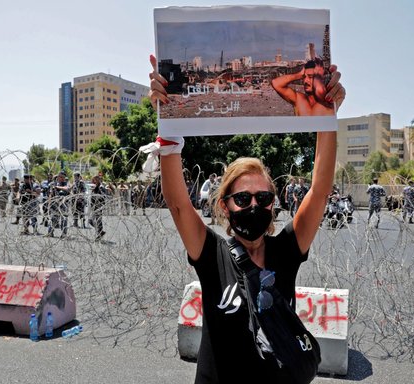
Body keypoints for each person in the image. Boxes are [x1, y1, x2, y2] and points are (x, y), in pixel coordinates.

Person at [146, 54, 344, 383]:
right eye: (242, 198)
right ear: (225, 207)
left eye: (263, 198)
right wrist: (168, 126)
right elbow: (179, 205)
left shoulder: (286, 251)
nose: (254, 205)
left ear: (273, 204)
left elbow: (320, 190)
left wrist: (327, 115)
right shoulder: (212, 255)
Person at [90, 175, 108, 241]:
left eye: (96, 179)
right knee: (95, 221)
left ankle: (100, 233)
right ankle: (100, 232)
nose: (95, 180)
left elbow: (103, 196)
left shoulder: (101, 187)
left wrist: (98, 196)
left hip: (98, 206)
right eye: (94, 179)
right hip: (95, 206)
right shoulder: (96, 186)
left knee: (96, 221)